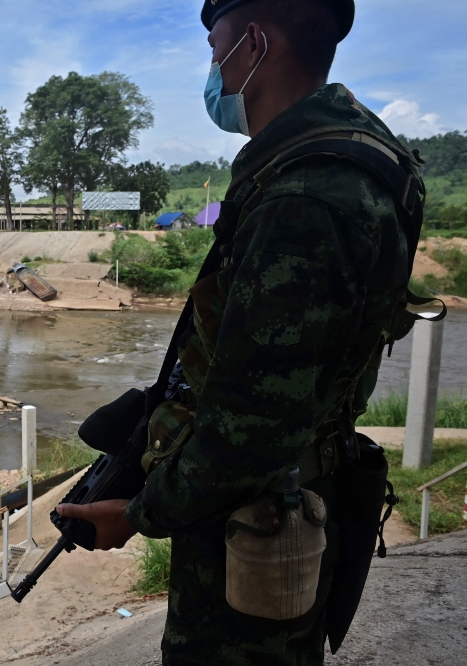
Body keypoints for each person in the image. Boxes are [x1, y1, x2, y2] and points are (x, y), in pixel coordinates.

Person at [56, 1, 424, 663]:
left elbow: (251, 427)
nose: (211, 67)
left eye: (212, 46)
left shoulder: (304, 196)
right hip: (295, 498)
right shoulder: (358, 157)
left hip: (255, 527)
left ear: (252, 44)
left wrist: (138, 514)